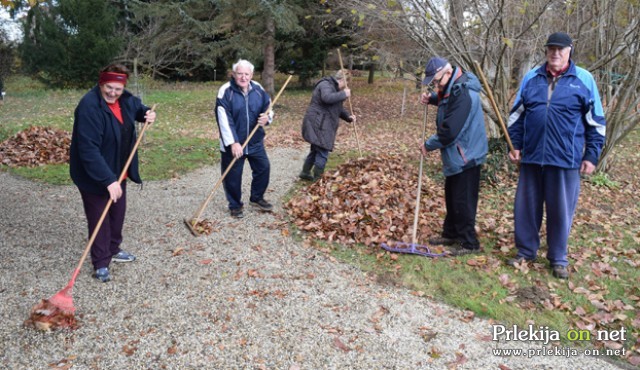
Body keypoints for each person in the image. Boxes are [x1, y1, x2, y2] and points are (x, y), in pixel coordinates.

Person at [507, 32, 606, 279]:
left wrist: (591, 155)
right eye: (552, 48)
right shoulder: (532, 78)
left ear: (570, 50)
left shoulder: (584, 79)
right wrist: (516, 144)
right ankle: (526, 251)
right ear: (546, 51)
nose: (556, 53)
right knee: (526, 208)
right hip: (531, 157)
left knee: (561, 211)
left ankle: (558, 258)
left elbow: (596, 123)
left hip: (565, 159)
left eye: (561, 49)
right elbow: (516, 116)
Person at [69, 63, 156, 283]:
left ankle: (114, 249)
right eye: (109, 87)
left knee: (117, 214)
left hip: (119, 170)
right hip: (95, 174)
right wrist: (107, 180)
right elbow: (88, 149)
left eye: (117, 88)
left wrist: (146, 113)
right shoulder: (89, 107)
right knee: (100, 217)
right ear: (101, 83)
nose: (113, 93)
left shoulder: (125, 98)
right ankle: (101, 263)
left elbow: (137, 108)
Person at [419, 57, 488, 256]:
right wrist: (432, 98)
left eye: (437, 81)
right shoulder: (453, 86)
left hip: (467, 153)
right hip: (459, 153)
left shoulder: (464, 92)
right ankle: (450, 233)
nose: (436, 85)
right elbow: (445, 98)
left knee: (463, 200)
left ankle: (468, 243)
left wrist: (428, 145)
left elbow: (449, 131)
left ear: (447, 73)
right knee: (452, 195)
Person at [215, 59, 273, 218]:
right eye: (239, 73)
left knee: (263, 168)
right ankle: (235, 205)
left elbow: (268, 107)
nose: (243, 77)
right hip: (233, 144)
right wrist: (233, 143)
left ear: (252, 75)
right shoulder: (225, 91)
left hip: (255, 141)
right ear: (233, 74)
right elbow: (224, 119)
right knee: (232, 176)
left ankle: (257, 197)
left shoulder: (258, 89)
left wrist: (266, 119)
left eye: (246, 74)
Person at [299, 70, 356, 181]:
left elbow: (337, 108)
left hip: (322, 122)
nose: (346, 87)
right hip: (318, 123)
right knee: (323, 151)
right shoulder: (325, 84)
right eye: (346, 83)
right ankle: (318, 179)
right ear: (343, 80)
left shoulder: (335, 89)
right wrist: (344, 94)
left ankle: (305, 172)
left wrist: (349, 117)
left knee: (316, 150)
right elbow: (327, 98)